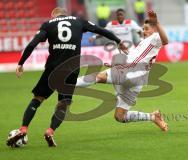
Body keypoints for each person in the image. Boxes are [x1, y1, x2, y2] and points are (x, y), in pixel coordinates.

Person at [6, 7, 127, 147]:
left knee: (37, 99)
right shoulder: (79, 21)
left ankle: (23, 129)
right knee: (63, 104)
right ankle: (50, 131)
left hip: (52, 69)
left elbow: (33, 43)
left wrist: (21, 63)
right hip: (72, 69)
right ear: (65, 14)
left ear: (53, 15)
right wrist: (118, 41)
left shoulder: (48, 24)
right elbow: (101, 30)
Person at [76, 10, 168, 131]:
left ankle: (67, 83)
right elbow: (133, 58)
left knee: (98, 76)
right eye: (143, 29)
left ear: (154, 29)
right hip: (137, 79)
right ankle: (153, 117)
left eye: (146, 29)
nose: (144, 32)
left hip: (131, 72)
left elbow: (165, 40)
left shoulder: (155, 38)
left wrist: (157, 23)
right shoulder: (141, 44)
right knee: (120, 116)